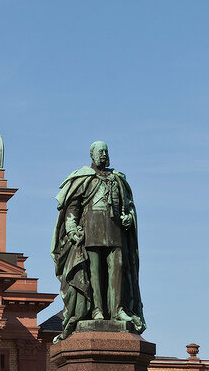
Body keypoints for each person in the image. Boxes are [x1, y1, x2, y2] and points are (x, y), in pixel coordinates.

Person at [52, 141, 145, 341]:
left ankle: (118, 309)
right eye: (100, 151)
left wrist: (128, 216)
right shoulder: (84, 178)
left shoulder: (117, 179)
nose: (104, 154)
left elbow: (128, 206)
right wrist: (70, 228)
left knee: (117, 269)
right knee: (94, 273)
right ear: (92, 155)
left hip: (115, 231)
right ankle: (97, 310)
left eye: (106, 151)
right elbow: (72, 208)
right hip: (91, 231)